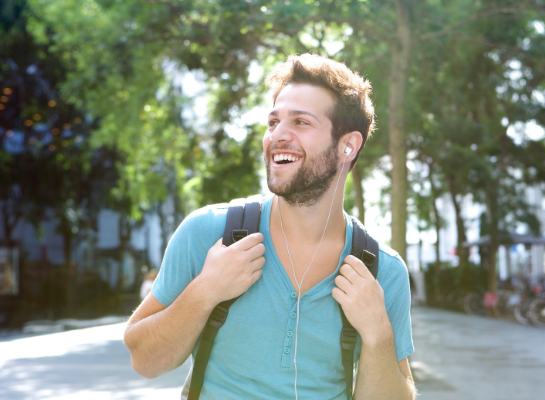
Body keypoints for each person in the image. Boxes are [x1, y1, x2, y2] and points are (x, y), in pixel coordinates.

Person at [124, 53, 415, 400]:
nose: (278, 135)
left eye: (301, 123)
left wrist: (378, 334)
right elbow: (144, 360)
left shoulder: (384, 271)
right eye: (274, 122)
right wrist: (205, 291)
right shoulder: (209, 233)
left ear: (348, 145)